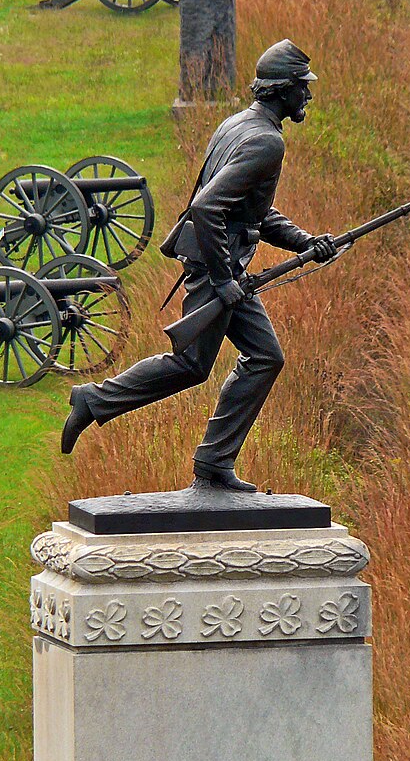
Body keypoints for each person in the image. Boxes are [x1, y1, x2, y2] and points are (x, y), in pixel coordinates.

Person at [61, 39, 337, 491]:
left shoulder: (237, 124)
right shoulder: (266, 142)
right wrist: (226, 278)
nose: (308, 94)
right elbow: (208, 208)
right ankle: (96, 401)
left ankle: (211, 462)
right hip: (217, 267)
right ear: (282, 90)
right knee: (195, 363)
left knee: (261, 357)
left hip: (216, 262)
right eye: (303, 87)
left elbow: (252, 212)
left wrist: (307, 242)